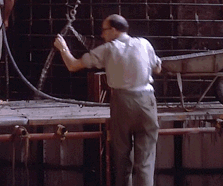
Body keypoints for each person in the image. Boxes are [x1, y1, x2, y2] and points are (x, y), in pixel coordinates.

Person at [54, 14, 162, 186]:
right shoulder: (144, 43)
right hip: (147, 102)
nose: (102, 35)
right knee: (146, 162)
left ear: (113, 30)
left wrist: (63, 48)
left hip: (123, 102)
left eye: (104, 31)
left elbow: (73, 65)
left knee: (122, 159)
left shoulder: (109, 49)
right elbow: (158, 68)